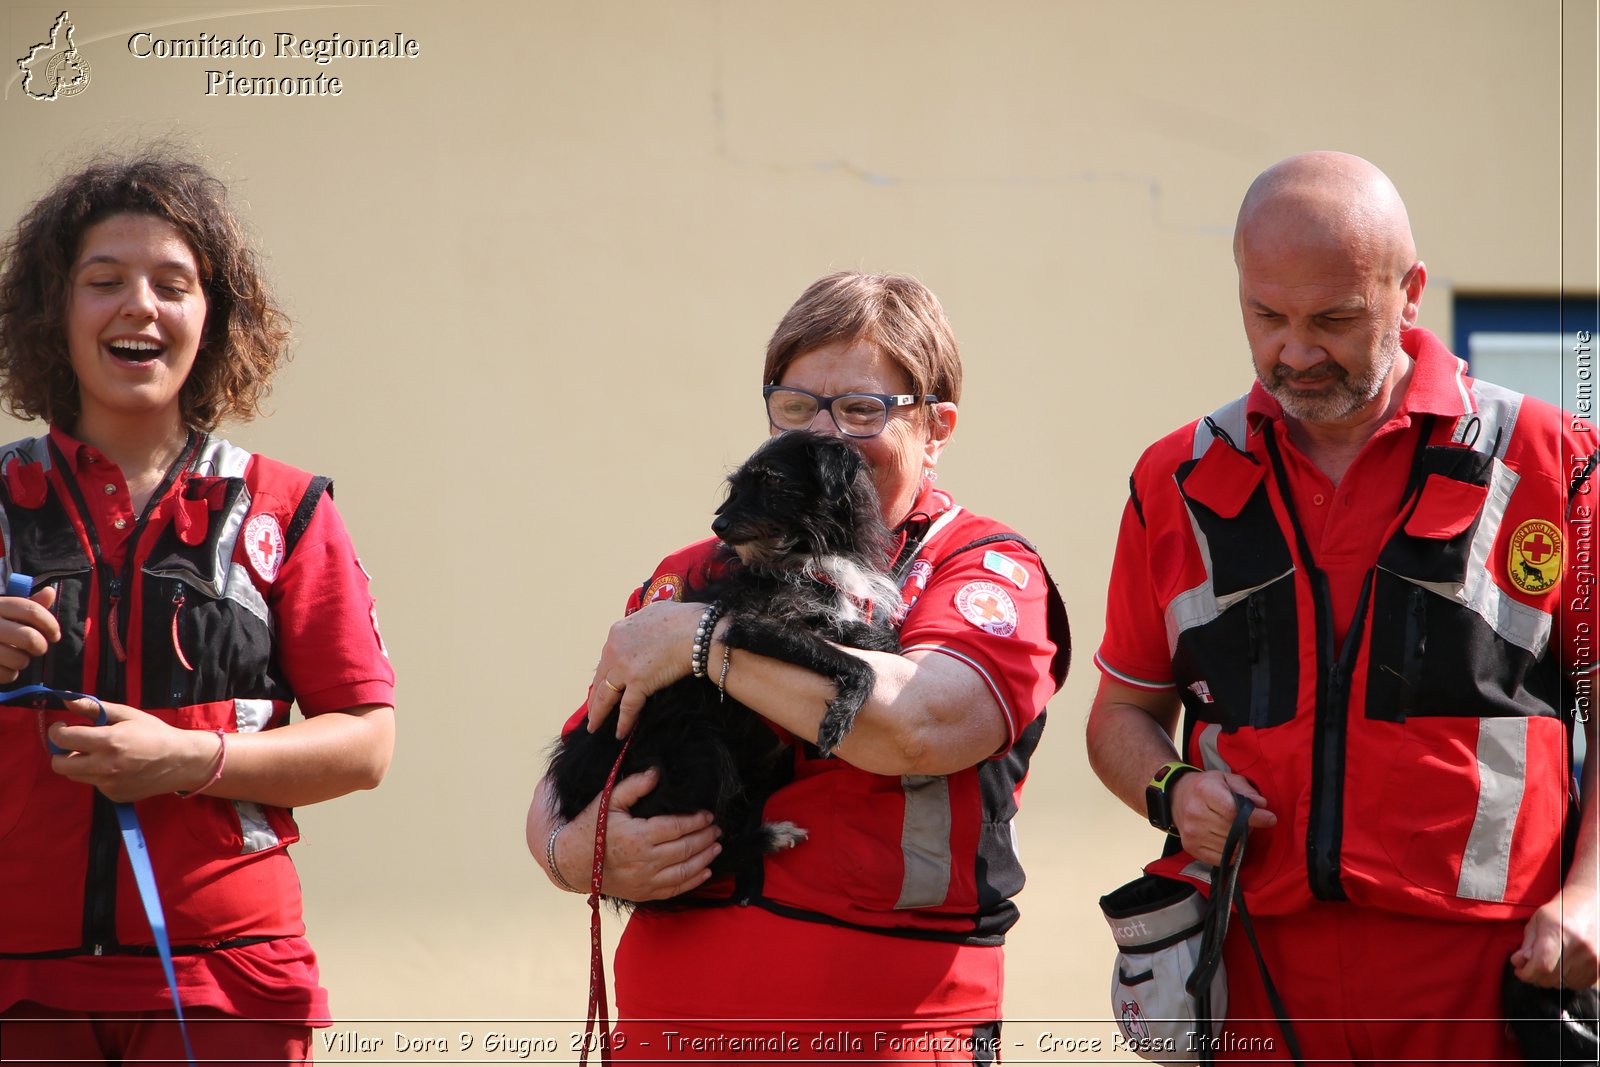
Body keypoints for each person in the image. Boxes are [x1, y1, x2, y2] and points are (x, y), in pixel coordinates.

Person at [1086, 151, 1599, 1062]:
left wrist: (1592, 896)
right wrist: (1173, 790)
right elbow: (1122, 713)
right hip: (1250, 975)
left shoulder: (1557, 460)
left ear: (1410, 293)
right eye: (1265, 315)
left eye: (1334, 317)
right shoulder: (1175, 478)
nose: (1295, 350)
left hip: (1494, 976)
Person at [526, 271, 1070, 1064]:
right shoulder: (690, 573)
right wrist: (568, 852)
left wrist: (706, 642)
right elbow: (576, 758)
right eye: (795, 406)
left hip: (884, 1032)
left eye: (860, 409)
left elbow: (921, 725)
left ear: (936, 426)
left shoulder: (983, 568)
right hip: (666, 1031)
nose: (822, 436)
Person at [0, 153, 395, 1064]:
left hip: (230, 986)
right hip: (16, 985)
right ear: (54, 313)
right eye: (105, 281)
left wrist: (186, 758)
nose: (140, 304)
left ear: (211, 320)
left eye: (172, 285)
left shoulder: (289, 508)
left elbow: (367, 743)